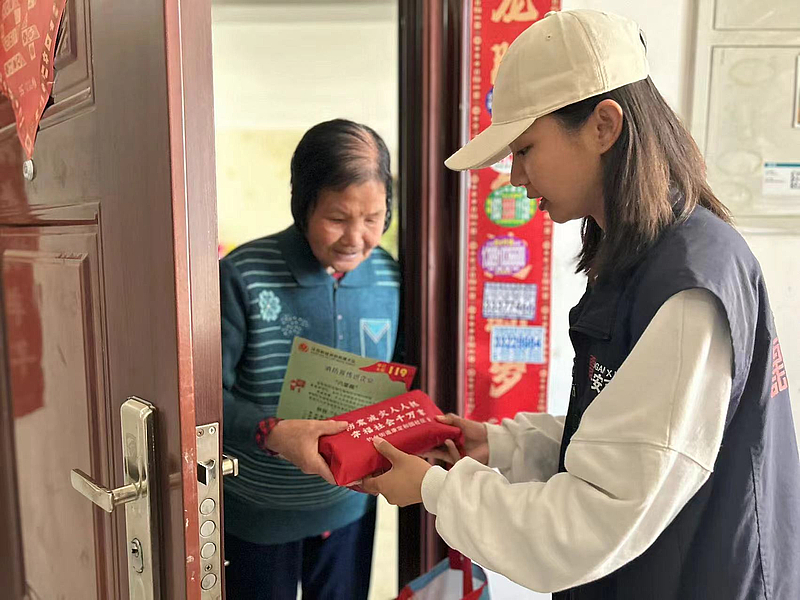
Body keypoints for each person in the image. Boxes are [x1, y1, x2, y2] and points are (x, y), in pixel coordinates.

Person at [361, 9, 800, 599]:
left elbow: (591, 522)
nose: (515, 177)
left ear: (603, 126)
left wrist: (435, 490)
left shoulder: (689, 287)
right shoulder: (641, 254)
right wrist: (501, 446)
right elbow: (623, 436)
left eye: (525, 149)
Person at [220, 119, 401, 600]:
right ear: (302, 205)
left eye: (374, 218)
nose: (356, 238)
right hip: (259, 515)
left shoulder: (390, 276)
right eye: (338, 218)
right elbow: (204, 399)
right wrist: (272, 431)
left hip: (350, 507)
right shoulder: (242, 276)